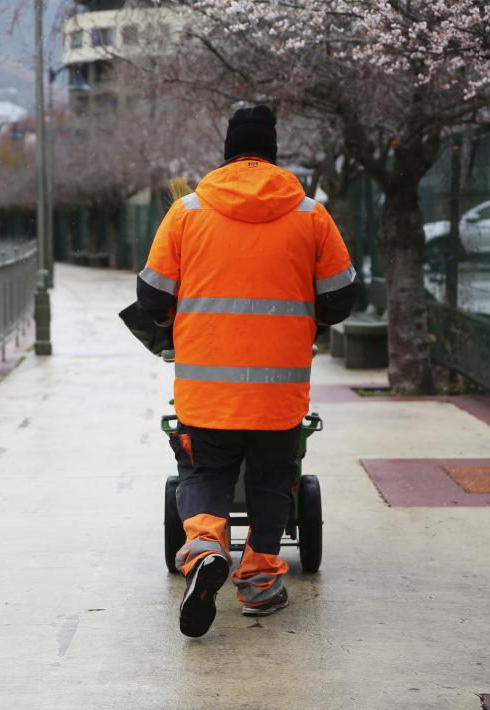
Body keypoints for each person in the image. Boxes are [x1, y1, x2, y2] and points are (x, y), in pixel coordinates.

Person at [136, 105, 356, 638]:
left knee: (204, 472)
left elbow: (151, 295)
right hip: (278, 394)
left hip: (206, 391)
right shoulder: (310, 214)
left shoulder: (187, 212)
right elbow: (343, 297)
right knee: (273, 479)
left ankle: (208, 548)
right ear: (273, 151)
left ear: (228, 151)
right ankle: (259, 582)